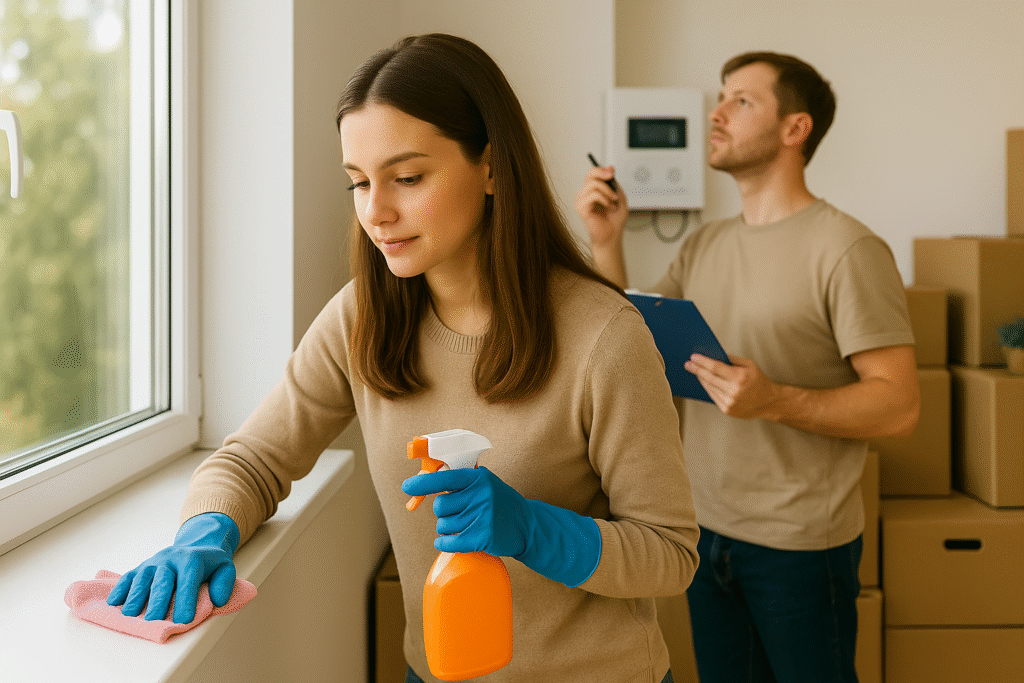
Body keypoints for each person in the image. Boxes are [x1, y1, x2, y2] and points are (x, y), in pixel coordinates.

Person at [107, 34, 698, 683]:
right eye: (358, 182)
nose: (376, 211)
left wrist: (532, 528)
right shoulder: (362, 316)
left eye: (408, 177)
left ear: (494, 167)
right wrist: (204, 533)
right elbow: (255, 457)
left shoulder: (605, 335)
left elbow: (670, 552)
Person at [576, 52, 920, 683]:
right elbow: (630, 342)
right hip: (704, 534)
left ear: (795, 129)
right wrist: (606, 242)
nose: (718, 112)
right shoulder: (704, 243)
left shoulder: (849, 249)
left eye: (742, 100)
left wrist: (776, 401)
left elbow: (899, 404)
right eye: (720, 96)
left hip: (800, 548)